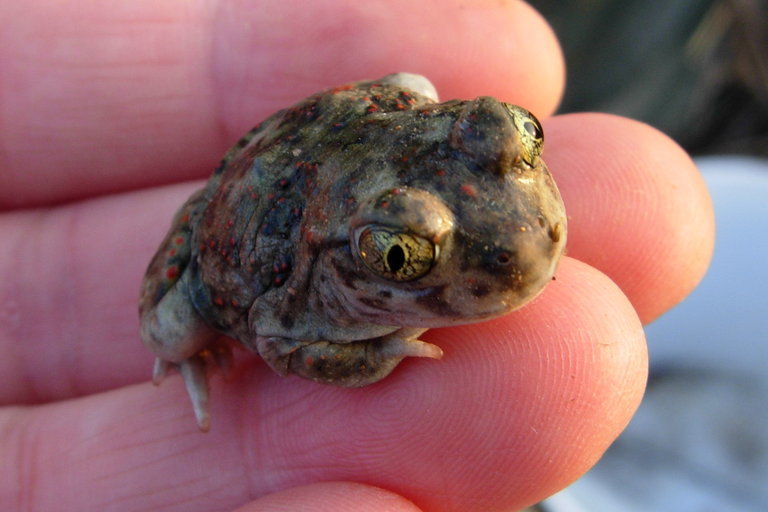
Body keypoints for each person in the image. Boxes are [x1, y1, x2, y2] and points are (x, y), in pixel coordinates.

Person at [0, 1, 714, 511]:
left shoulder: (447, 145)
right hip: (245, 230)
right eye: (403, 256)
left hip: (325, 148)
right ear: (362, 261)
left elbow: (409, 93)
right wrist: (363, 354)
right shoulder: (323, 278)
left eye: (520, 140)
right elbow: (278, 336)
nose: (533, 237)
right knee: (169, 328)